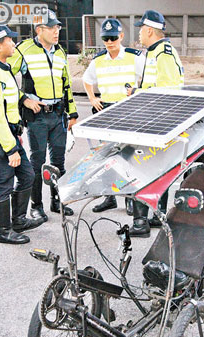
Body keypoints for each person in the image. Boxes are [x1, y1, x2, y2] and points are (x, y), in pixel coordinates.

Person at [7, 10, 78, 223]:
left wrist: (72, 112)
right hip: (36, 118)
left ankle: (58, 201)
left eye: (58, 27)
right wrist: (23, 100)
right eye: (52, 27)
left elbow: (67, 85)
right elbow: (6, 79)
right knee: (37, 163)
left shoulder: (60, 52)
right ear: (39, 30)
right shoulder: (23, 50)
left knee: (59, 162)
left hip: (58, 116)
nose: (57, 31)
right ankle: (36, 206)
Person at [0, 22, 43, 244]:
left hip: (11, 134)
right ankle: (4, 231)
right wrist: (10, 149)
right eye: (9, 40)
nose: (13, 42)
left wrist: (24, 98)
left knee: (27, 175)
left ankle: (18, 220)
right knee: (4, 182)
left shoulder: (3, 69)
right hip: (0, 139)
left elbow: (12, 94)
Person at [127, 10, 184, 238]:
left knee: (142, 168)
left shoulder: (163, 54)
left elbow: (169, 92)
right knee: (157, 170)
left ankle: (141, 223)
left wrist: (136, 92)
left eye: (141, 29)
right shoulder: (155, 52)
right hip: (154, 121)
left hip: (157, 123)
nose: (139, 34)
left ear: (149, 30)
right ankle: (155, 217)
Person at [83, 18, 145, 213]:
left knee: (128, 157)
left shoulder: (135, 57)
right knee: (107, 157)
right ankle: (109, 198)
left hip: (128, 111)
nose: (109, 42)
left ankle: (129, 198)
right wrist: (92, 98)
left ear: (121, 36)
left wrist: (137, 90)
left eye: (112, 38)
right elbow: (86, 80)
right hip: (106, 113)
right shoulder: (98, 60)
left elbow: (149, 79)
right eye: (105, 39)